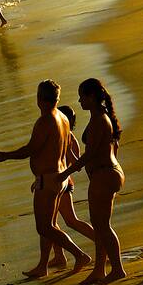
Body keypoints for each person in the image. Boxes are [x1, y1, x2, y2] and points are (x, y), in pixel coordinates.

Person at [0, 80, 92, 279]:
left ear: (39, 99)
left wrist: (6, 155)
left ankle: (79, 255)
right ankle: (43, 265)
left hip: (49, 179)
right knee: (50, 225)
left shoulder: (45, 121)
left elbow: (31, 149)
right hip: (59, 177)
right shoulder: (63, 118)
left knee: (44, 227)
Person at [57, 78, 126, 283]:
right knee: (100, 225)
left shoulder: (99, 120)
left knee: (102, 226)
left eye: (82, 96)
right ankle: (99, 270)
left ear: (92, 96)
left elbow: (90, 155)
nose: (79, 101)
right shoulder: (101, 116)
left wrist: (64, 173)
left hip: (104, 175)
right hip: (107, 173)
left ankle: (117, 269)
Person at [49, 105, 96, 269]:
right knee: (52, 223)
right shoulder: (67, 135)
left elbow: (76, 162)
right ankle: (59, 256)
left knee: (69, 221)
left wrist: (61, 175)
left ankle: (102, 242)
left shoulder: (67, 137)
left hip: (62, 184)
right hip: (61, 182)